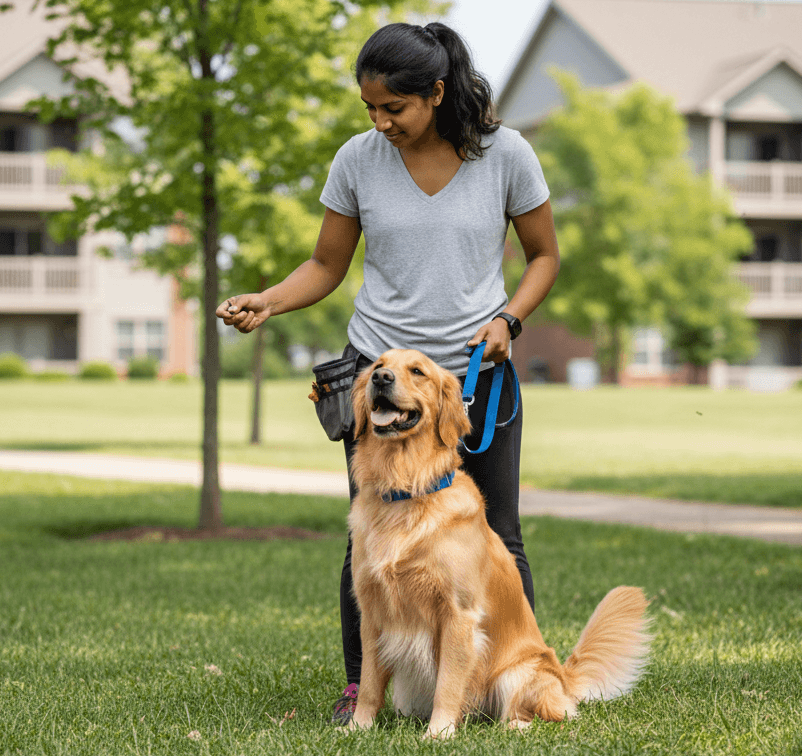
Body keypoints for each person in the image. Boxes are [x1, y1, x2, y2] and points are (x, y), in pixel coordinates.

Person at [215, 20, 560, 724]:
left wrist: (509, 320)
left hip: (475, 377)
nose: (380, 122)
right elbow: (326, 264)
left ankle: (512, 679)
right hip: (379, 378)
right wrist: (268, 300)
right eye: (369, 108)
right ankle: (360, 689)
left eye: (393, 108)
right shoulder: (358, 159)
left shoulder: (506, 154)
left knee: (498, 534)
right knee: (370, 539)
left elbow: (544, 257)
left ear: (436, 92)